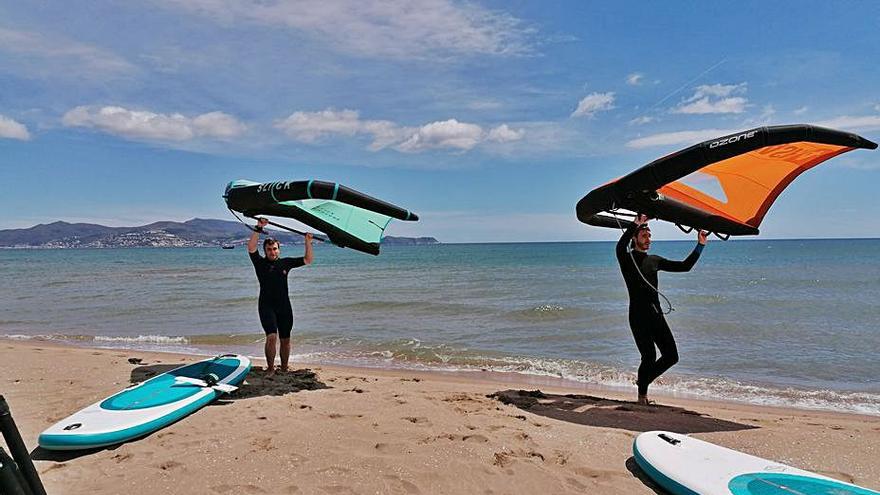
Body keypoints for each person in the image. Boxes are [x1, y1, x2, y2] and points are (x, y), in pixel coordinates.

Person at [616, 214, 707, 405]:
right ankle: (642, 397)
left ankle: (643, 381)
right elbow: (619, 246)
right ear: (635, 238)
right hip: (638, 316)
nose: (648, 240)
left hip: (656, 314)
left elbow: (685, 266)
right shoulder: (627, 259)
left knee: (672, 356)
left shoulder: (654, 260)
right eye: (644, 236)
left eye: (649, 236)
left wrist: (700, 245)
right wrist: (635, 224)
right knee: (648, 356)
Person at [247, 217, 313, 377]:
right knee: (271, 337)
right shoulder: (259, 263)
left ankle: (283, 368)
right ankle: (270, 368)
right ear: (265, 251)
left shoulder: (285, 263)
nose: (272, 251)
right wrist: (258, 227)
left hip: (284, 307)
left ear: (279, 249)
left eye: (275, 249)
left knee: (285, 339)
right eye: (269, 249)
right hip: (266, 305)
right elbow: (251, 247)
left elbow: (308, 260)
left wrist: (308, 242)